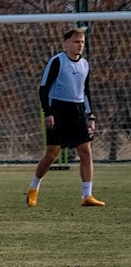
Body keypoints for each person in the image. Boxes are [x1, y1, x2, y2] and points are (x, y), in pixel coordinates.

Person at [27, 28, 104, 207]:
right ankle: (34, 187)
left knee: (85, 152)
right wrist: (49, 113)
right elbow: (43, 89)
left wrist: (90, 115)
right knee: (52, 154)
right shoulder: (57, 61)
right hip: (58, 110)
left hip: (77, 111)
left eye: (82, 42)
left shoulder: (85, 64)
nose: (80, 45)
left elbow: (86, 92)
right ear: (66, 43)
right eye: (76, 42)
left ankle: (87, 195)